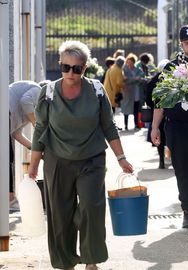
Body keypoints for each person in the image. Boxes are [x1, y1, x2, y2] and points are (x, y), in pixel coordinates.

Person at [28, 40, 133, 270]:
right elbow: (40, 128)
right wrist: (34, 164)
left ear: (85, 68)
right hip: (57, 160)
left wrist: (121, 158)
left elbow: (108, 126)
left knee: (90, 207)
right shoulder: (49, 92)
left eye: (76, 68)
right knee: (59, 213)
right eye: (65, 67)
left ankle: (91, 260)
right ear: (60, 65)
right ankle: (65, 262)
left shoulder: (96, 90)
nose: (70, 73)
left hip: (91, 159)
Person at [151, 25, 188, 228]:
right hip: (178, 128)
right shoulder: (170, 68)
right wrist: (155, 127)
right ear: (181, 44)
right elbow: (160, 100)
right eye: (187, 43)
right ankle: (187, 211)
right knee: (183, 171)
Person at [8, 80, 45, 208]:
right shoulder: (38, 90)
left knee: (9, 157)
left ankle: (9, 196)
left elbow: (16, 134)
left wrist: (35, 149)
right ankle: (9, 196)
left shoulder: (26, 115)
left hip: (6, 121)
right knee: (8, 156)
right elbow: (25, 101)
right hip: (4, 110)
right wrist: (37, 125)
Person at [145, 59, 170, 169]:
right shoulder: (172, 79)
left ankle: (161, 160)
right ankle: (171, 159)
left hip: (157, 114)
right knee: (169, 137)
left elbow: (148, 99)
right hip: (169, 114)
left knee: (159, 137)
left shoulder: (152, 81)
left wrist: (154, 107)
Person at [122, 53, 144, 130]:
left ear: (134, 62)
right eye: (128, 62)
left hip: (136, 92)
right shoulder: (124, 70)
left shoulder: (138, 70)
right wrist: (135, 79)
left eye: (131, 62)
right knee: (126, 109)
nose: (129, 64)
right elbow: (124, 81)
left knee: (136, 109)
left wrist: (130, 79)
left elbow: (141, 79)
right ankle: (125, 125)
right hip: (128, 92)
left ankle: (136, 124)